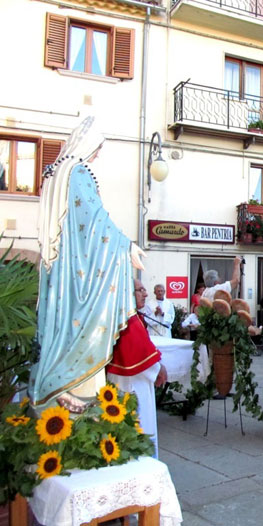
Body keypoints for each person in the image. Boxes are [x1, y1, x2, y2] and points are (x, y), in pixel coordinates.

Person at [29, 116, 146, 408]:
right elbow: (94, 222)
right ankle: (71, 388)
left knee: (61, 323)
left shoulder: (54, 172)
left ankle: (54, 387)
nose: (98, 154)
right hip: (76, 271)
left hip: (61, 268)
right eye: (98, 147)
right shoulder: (77, 172)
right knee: (78, 325)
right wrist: (125, 246)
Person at [107, 279, 168, 457]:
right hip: (132, 382)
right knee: (140, 422)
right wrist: (158, 369)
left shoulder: (129, 315)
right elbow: (138, 352)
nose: (145, 293)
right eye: (140, 290)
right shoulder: (129, 319)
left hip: (128, 379)